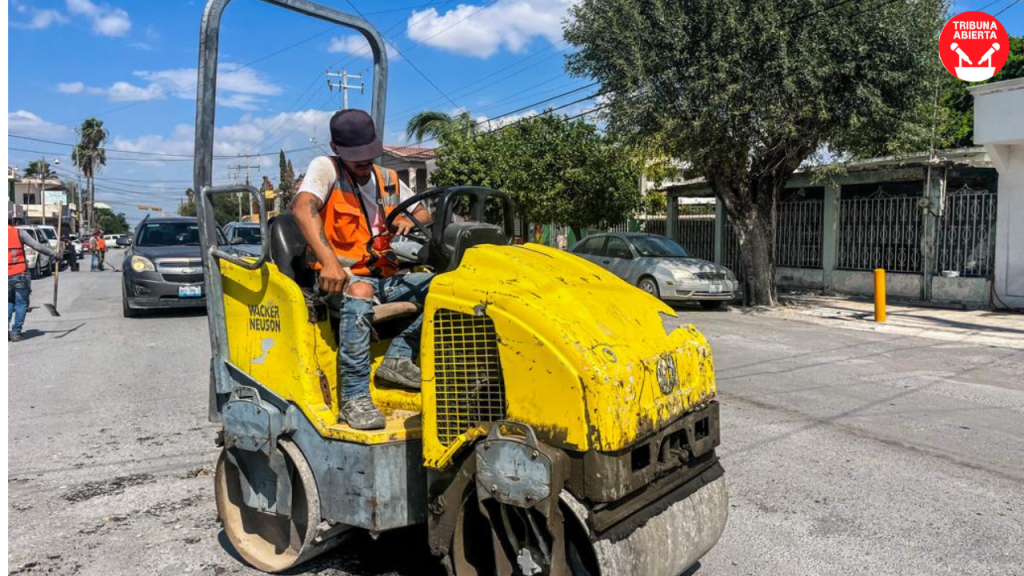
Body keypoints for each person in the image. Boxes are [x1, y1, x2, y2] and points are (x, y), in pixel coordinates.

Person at [292, 109, 433, 431]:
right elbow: (302, 207)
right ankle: (354, 397)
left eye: (368, 155)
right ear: (336, 147)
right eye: (355, 156)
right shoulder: (326, 169)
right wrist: (328, 261)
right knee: (360, 290)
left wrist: (407, 220)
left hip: (384, 275)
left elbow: (424, 212)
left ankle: (398, 357)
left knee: (444, 285)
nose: (363, 162)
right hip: (336, 279)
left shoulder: (386, 179)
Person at [9, 214, 57, 342]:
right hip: (20, 274)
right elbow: (38, 246)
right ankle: (15, 332)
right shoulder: (19, 233)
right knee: (21, 303)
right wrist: (53, 254)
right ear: (12, 220)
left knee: (8, 302)